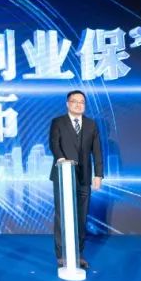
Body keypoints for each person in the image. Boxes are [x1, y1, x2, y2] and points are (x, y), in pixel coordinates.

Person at [48, 90, 103, 268]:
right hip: (63, 174)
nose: (78, 105)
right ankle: (61, 254)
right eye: (75, 101)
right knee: (62, 215)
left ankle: (78, 253)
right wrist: (61, 159)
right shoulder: (58, 122)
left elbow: (97, 150)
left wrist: (98, 174)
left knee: (81, 216)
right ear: (68, 104)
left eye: (82, 102)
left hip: (84, 176)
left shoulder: (91, 124)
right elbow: (54, 143)